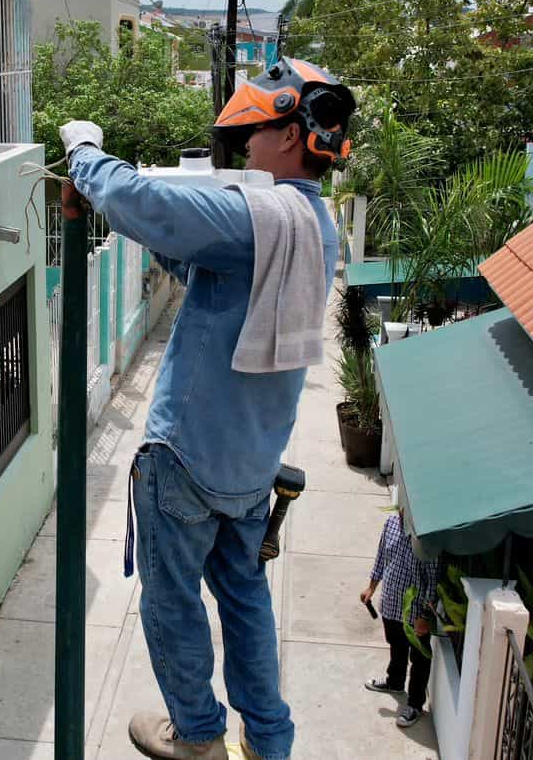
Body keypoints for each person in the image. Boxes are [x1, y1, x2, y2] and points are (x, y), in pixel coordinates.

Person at [58, 59, 355, 760]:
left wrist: (85, 152)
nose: (246, 149)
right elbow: (206, 267)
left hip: (187, 455)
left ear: (289, 136)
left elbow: (145, 202)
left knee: (171, 604)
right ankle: (268, 740)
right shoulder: (315, 227)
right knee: (245, 597)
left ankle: (196, 735)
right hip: (250, 464)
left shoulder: (260, 216)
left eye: (254, 133)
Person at [360, 510, 441, 728]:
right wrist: (371, 587)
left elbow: (432, 581)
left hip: (414, 613)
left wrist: (424, 616)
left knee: (420, 659)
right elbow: (381, 558)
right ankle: (395, 682)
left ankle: (414, 704)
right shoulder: (392, 523)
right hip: (390, 603)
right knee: (395, 644)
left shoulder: (427, 536)